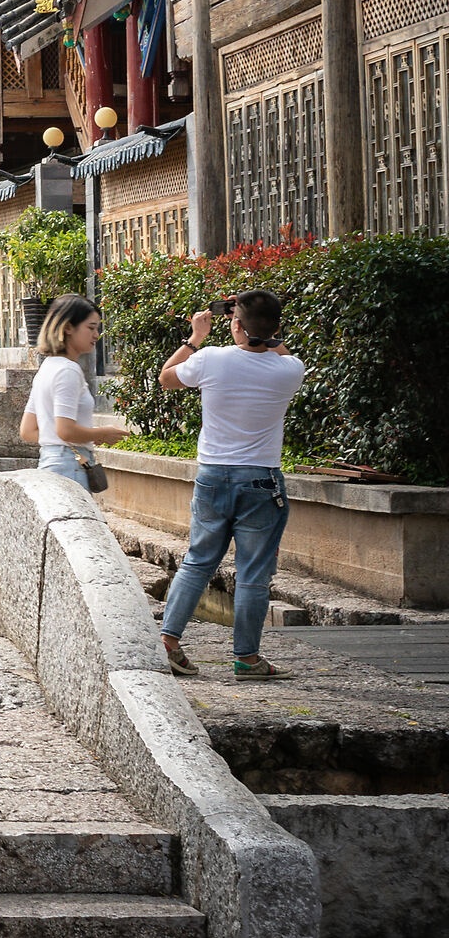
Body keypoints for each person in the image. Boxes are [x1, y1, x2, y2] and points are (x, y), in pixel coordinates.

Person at [156, 291, 306, 684]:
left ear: (235, 324)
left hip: (213, 476)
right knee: (254, 574)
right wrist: (258, 329)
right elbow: (278, 350)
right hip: (262, 480)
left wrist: (196, 336)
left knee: (197, 562)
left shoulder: (210, 359)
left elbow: (166, 378)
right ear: (275, 329)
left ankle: (168, 644)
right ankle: (248, 659)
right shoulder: (290, 369)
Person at [19, 296, 125, 489]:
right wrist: (103, 433)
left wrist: (86, 435)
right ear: (68, 327)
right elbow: (65, 430)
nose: (96, 335)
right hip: (70, 468)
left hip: (51, 463)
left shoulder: (47, 367)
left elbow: (28, 431)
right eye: (91, 327)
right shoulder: (68, 371)